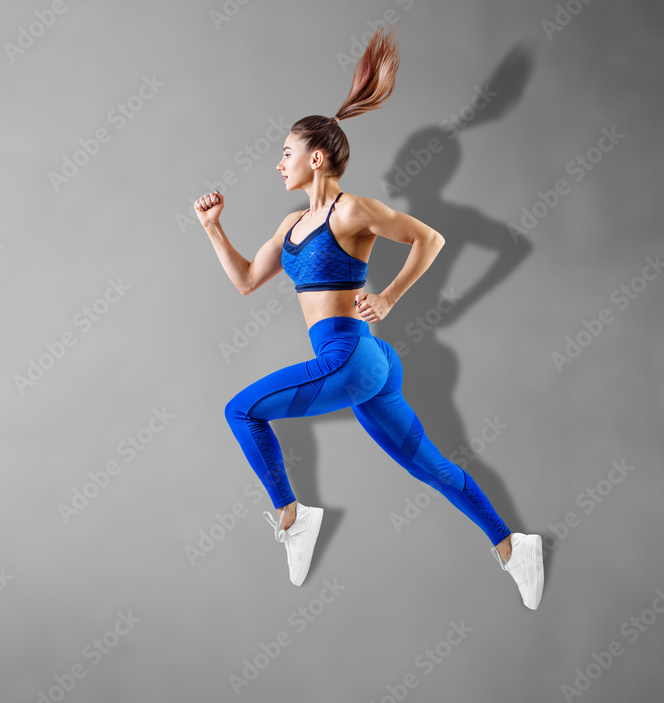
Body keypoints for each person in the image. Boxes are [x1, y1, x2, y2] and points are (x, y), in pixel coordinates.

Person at [193, 26, 543, 609]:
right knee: (431, 467)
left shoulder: (351, 209)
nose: (279, 163)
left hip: (350, 357)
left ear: (317, 157)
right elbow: (249, 281)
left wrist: (390, 298)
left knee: (241, 411)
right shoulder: (289, 226)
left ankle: (291, 515)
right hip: (370, 366)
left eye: (286, 153)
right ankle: (513, 546)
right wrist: (213, 230)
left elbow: (428, 238)